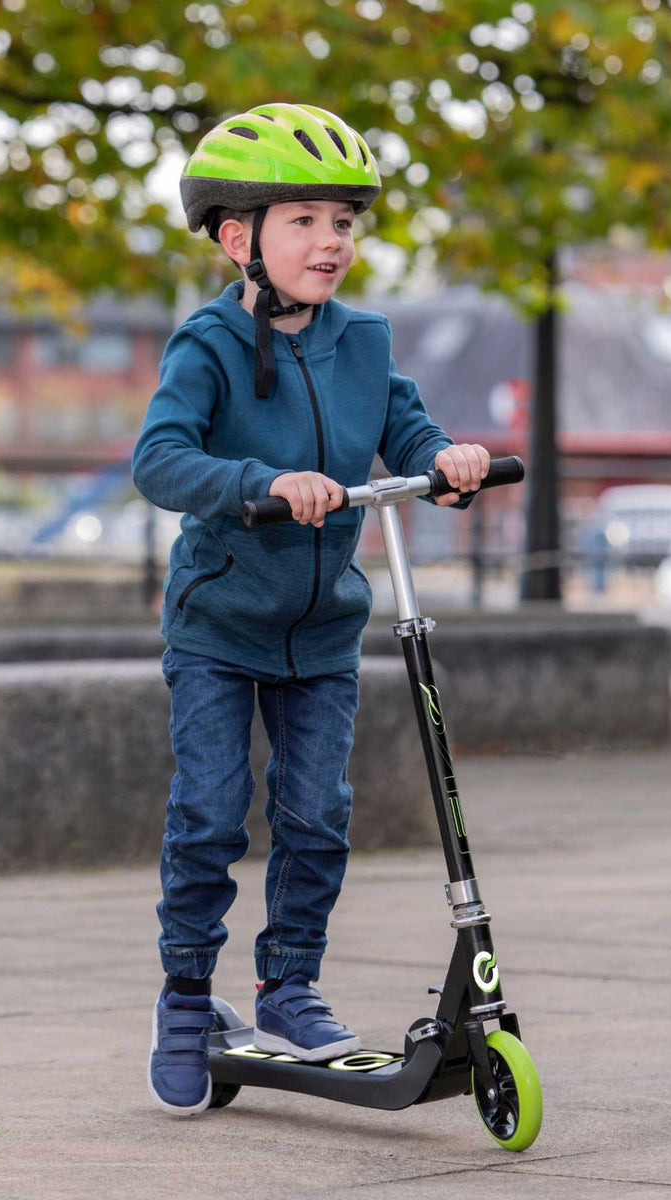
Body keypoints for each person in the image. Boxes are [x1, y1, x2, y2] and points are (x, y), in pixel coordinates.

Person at [132, 102, 489, 1115]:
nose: (330, 242)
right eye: (304, 221)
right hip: (218, 626)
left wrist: (445, 460)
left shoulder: (366, 341)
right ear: (238, 237)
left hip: (323, 628)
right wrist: (263, 480)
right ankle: (188, 998)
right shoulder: (204, 343)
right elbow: (159, 459)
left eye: (343, 222)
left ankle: (288, 986)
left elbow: (408, 430)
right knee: (208, 813)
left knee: (317, 815)